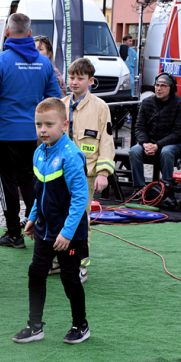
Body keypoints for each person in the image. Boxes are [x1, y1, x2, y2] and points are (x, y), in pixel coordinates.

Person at [12, 97, 89, 344]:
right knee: (36, 272)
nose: (43, 130)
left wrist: (66, 233)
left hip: (69, 234)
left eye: (49, 124)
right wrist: (33, 217)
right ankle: (35, 326)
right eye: (38, 125)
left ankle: (81, 326)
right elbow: (40, 191)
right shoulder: (39, 152)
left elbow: (81, 198)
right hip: (45, 230)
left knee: (69, 277)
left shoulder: (71, 155)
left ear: (65, 125)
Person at [0, 13, 62, 249]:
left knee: (6, 183)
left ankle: (14, 234)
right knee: (29, 179)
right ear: (29, 33)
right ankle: (39, 228)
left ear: (7, 32)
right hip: (33, 134)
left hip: (3, 133)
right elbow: (54, 99)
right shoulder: (44, 62)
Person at [61, 57, 115, 282]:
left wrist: (103, 173)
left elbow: (107, 142)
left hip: (86, 175)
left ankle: (80, 263)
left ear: (91, 81)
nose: (74, 82)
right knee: (59, 217)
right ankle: (61, 259)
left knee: (80, 220)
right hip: (60, 174)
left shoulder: (101, 108)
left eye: (80, 78)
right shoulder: (60, 105)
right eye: (71, 77)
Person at [129, 73, 181, 195]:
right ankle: (139, 189)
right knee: (134, 151)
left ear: (171, 88)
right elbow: (139, 127)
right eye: (157, 85)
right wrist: (145, 144)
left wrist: (157, 145)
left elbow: (178, 133)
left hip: (171, 144)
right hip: (149, 142)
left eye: (163, 86)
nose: (159, 88)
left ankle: (166, 190)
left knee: (166, 152)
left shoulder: (180, 105)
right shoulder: (146, 102)